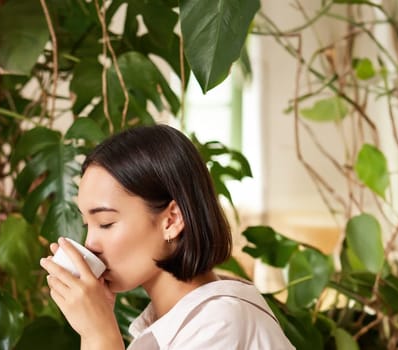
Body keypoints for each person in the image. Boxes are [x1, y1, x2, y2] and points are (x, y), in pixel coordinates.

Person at [40, 124, 295, 349]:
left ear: (172, 220)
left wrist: (99, 336)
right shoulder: (174, 323)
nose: (89, 245)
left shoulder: (220, 324)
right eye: (88, 225)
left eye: (105, 223)